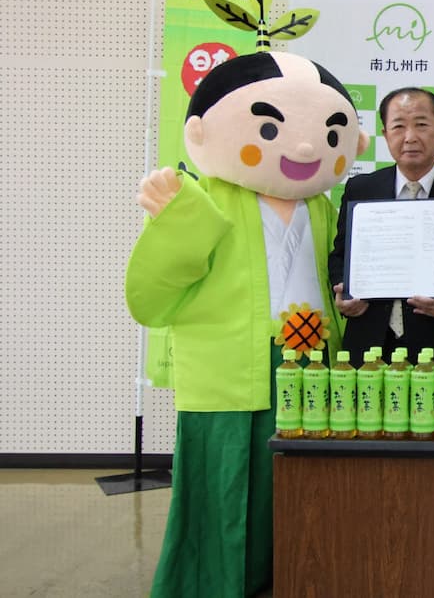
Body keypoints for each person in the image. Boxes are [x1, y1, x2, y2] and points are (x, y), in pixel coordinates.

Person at [125, 51, 368, 598]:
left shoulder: (324, 206)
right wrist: (176, 223)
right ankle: (212, 584)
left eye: (328, 135)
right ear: (201, 130)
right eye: (271, 130)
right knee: (226, 479)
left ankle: (293, 576)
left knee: (301, 480)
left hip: (310, 363)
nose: (303, 149)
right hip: (230, 366)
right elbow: (152, 298)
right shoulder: (204, 198)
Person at [329, 87, 434, 365]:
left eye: (421, 125)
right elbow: (340, 255)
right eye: (399, 126)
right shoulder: (361, 189)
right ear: (385, 134)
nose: (410, 137)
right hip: (369, 342)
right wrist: (342, 292)